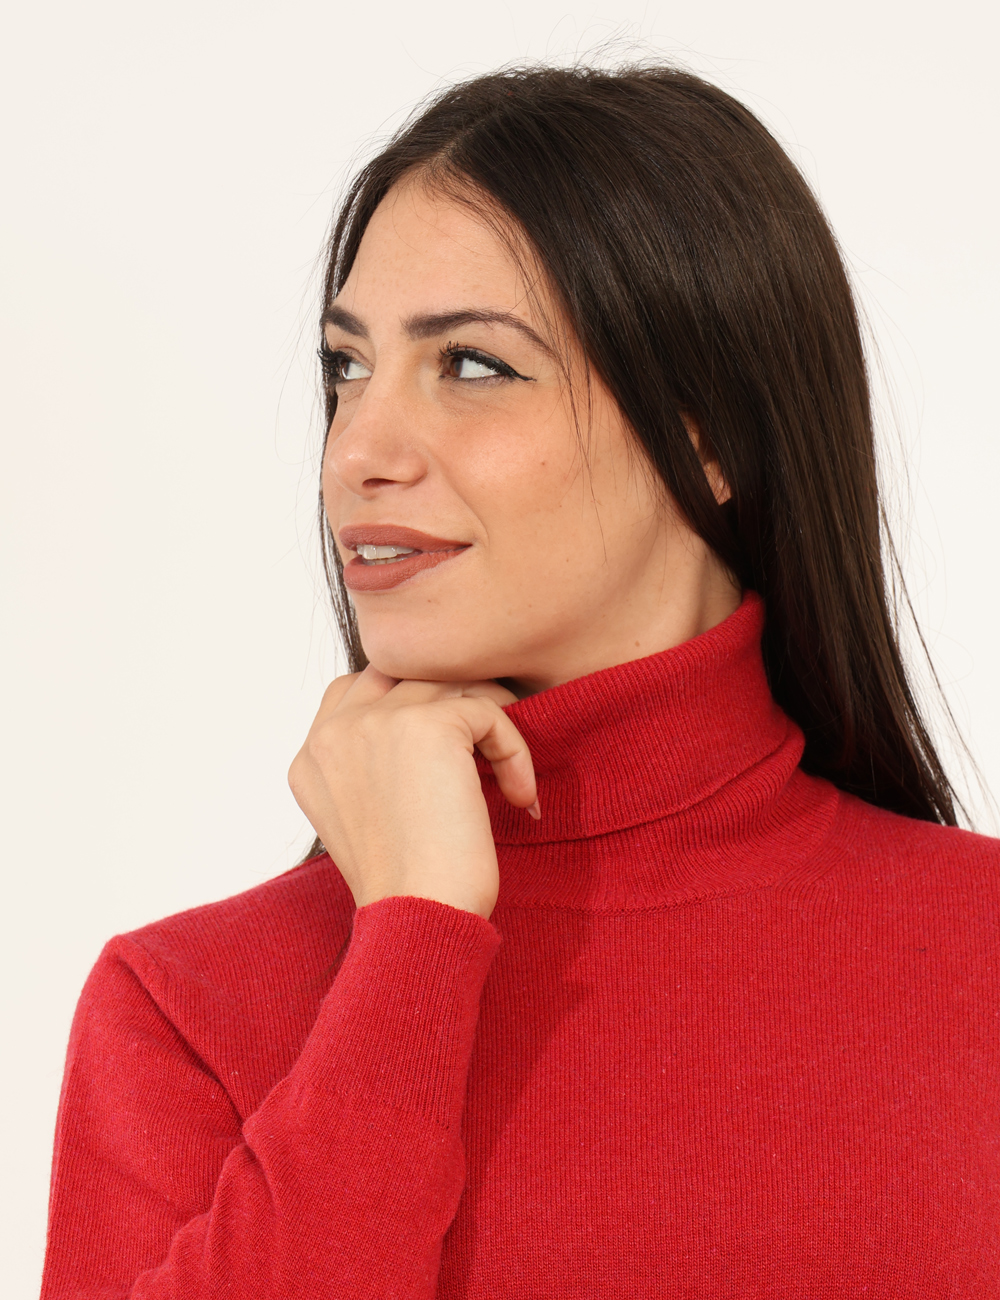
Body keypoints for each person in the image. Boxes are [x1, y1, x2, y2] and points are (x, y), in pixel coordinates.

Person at [40, 63, 1000, 1298]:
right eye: (346, 368)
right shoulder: (190, 1008)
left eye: (472, 366)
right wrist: (414, 947)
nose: (357, 450)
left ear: (709, 432)